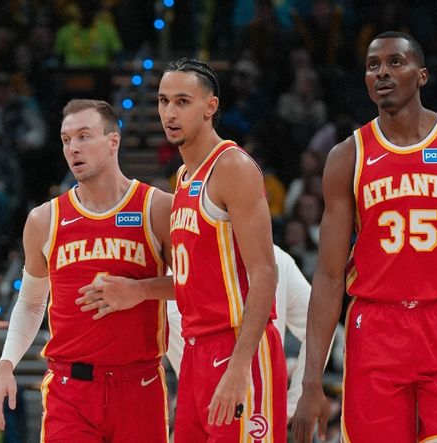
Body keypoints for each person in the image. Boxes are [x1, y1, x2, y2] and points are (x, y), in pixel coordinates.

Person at [292, 31, 437, 442]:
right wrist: (311, 380)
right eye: (373, 65)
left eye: (395, 62)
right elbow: (328, 276)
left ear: (422, 75)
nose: (382, 72)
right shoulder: (347, 156)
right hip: (375, 329)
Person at [76, 58, 287, 442]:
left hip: (237, 346)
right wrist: (138, 290)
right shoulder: (184, 176)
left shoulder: (233, 167)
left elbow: (265, 274)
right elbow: (197, 280)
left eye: (182, 102)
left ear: (210, 106)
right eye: (163, 101)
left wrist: (240, 365)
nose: (169, 113)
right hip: (195, 351)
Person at [0, 99, 173, 442]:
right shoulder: (44, 219)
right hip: (70, 390)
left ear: (113, 141)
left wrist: (141, 290)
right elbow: (31, 303)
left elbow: (195, 284)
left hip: (139, 385)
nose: (73, 148)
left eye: (84, 136)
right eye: (66, 139)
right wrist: (6, 363)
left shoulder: (157, 208)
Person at [165, 244, 316, 420]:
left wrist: (293, 403)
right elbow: (317, 321)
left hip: (217, 407)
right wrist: (293, 403)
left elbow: (317, 319)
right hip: (263, 406)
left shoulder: (187, 259)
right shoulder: (276, 256)